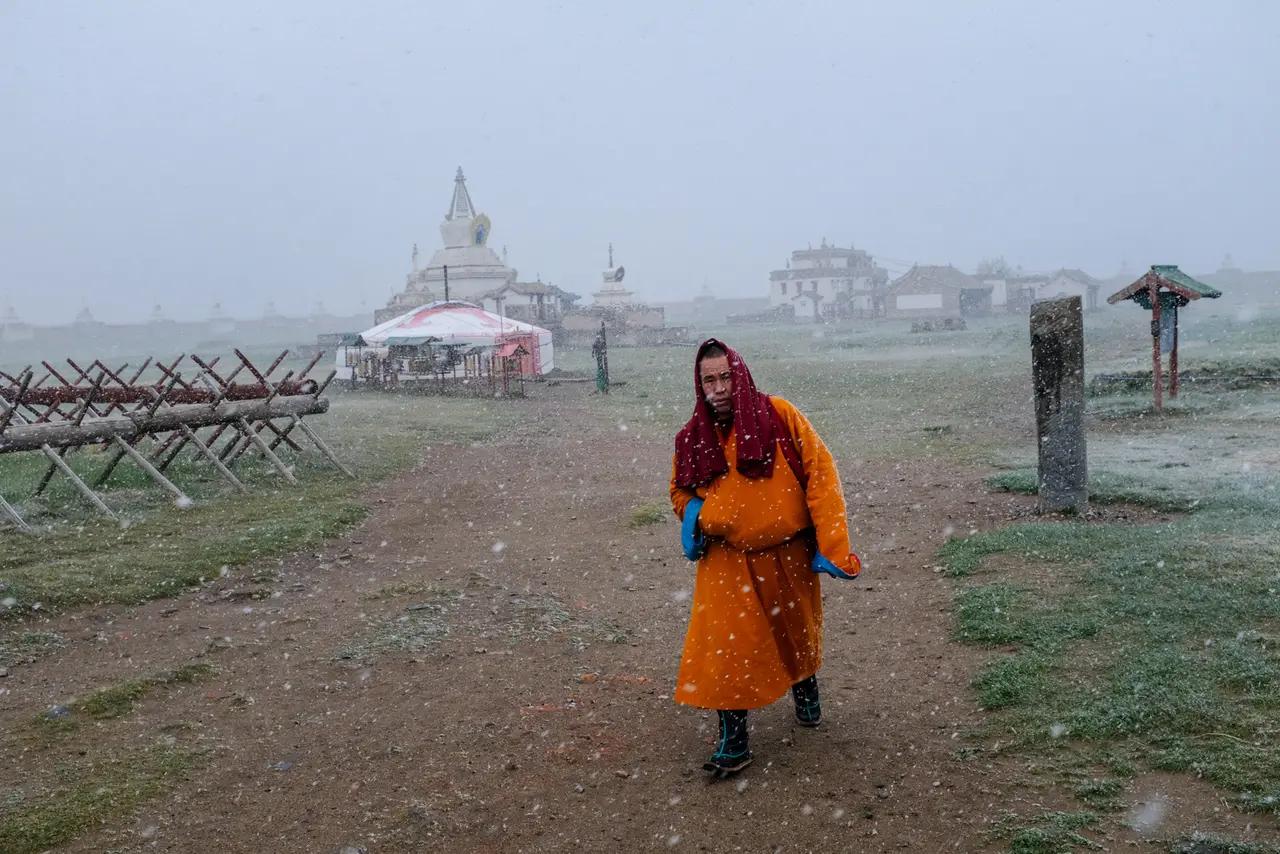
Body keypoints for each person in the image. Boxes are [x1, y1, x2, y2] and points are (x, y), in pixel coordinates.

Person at [669, 338, 862, 777]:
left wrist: (833, 544)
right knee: (725, 649)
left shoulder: (779, 415)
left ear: (740, 374)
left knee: (795, 633)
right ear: (699, 386)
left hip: (787, 553)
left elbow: (821, 473)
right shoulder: (693, 436)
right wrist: (699, 513)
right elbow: (678, 490)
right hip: (725, 560)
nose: (718, 389)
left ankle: (806, 686)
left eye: (725, 377)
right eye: (708, 381)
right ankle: (734, 741)